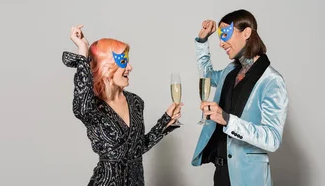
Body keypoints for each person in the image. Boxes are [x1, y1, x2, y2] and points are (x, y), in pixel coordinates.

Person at [62, 25, 182, 186]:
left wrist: (165, 122)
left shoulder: (136, 102)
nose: (130, 67)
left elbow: (137, 149)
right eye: (123, 61)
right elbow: (81, 105)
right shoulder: (92, 106)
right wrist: (83, 51)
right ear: (106, 65)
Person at [190, 9, 289, 186]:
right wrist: (203, 40)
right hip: (221, 174)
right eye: (219, 36)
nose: (221, 43)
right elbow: (206, 75)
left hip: (249, 177)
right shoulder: (230, 71)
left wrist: (227, 120)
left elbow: (273, 139)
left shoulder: (271, 81)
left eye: (225, 35)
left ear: (247, 33)